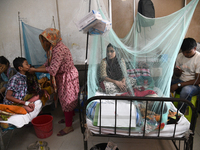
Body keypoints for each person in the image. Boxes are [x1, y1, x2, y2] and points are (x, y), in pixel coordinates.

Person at [29, 28, 79, 136]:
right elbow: (48, 63)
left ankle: (69, 127)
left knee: (67, 100)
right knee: (67, 98)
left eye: (47, 39)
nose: (45, 42)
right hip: (63, 76)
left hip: (68, 77)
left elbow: (52, 69)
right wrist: (38, 68)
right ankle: (70, 117)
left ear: (53, 38)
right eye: (44, 40)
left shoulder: (58, 49)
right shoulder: (53, 48)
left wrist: (35, 70)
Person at [171, 38, 200, 114]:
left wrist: (178, 84)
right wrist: (177, 72)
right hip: (181, 80)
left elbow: (198, 80)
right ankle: (169, 109)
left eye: (188, 52)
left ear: (195, 48)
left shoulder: (198, 58)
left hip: (193, 85)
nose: (185, 54)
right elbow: (177, 74)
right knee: (165, 84)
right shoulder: (180, 56)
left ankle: (180, 114)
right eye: (183, 52)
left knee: (185, 91)